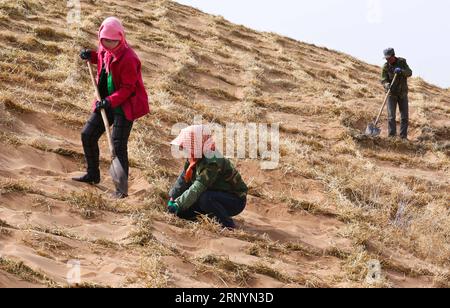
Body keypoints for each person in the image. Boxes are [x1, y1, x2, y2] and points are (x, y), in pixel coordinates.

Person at [73, 17, 149, 198]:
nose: (109, 45)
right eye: (105, 41)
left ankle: (121, 191)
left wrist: (110, 101)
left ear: (121, 38)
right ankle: (93, 175)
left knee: (117, 146)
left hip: (125, 106)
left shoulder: (129, 59)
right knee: (87, 135)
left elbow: (128, 89)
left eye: (113, 41)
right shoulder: (104, 48)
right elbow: (101, 60)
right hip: (106, 100)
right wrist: (90, 55)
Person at [168, 125, 248, 229]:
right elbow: (183, 180)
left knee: (205, 198)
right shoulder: (194, 157)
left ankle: (228, 225)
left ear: (196, 144)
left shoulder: (213, 161)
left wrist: (178, 204)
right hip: (213, 194)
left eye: (187, 146)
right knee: (182, 214)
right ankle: (212, 215)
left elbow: (197, 188)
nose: (184, 149)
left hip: (234, 200)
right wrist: (172, 198)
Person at [381, 48, 413, 139]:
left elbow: (409, 73)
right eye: (386, 58)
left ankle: (403, 137)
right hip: (391, 94)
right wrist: (387, 85)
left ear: (393, 55)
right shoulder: (386, 66)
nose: (388, 60)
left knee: (404, 117)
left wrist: (402, 71)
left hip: (402, 94)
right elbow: (383, 79)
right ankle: (392, 137)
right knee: (391, 117)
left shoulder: (402, 62)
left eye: (389, 58)